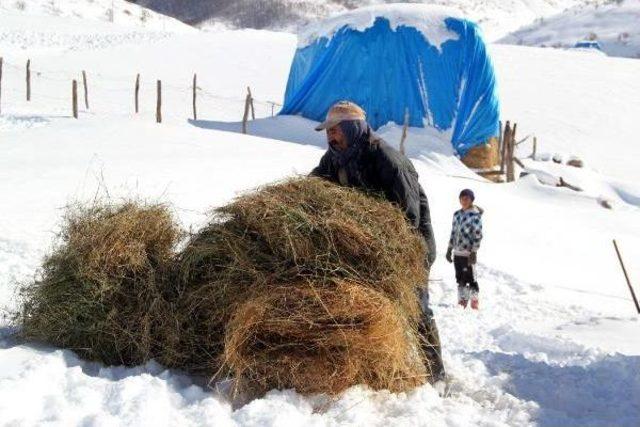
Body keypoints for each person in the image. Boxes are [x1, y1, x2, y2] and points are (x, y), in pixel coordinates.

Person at [310, 100, 445, 382]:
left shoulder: (387, 159)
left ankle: (435, 373)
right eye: (328, 131)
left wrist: (388, 250)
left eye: (335, 130)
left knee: (415, 307)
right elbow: (312, 188)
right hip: (370, 245)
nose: (330, 136)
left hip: (411, 244)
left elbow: (409, 215)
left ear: (353, 127)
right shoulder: (335, 157)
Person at [446, 189, 484, 309]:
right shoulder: (457, 214)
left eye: (467, 198)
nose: (464, 200)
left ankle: (474, 299)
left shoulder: (475, 215)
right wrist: (449, 248)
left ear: (471, 200)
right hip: (457, 251)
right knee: (460, 277)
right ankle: (462, 299)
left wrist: (474, 251)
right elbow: (453, 232)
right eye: (462, 198)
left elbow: (478, 234)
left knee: (470, 276)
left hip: (468, 252)